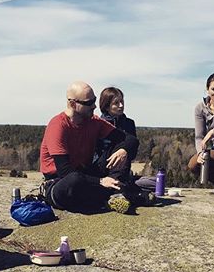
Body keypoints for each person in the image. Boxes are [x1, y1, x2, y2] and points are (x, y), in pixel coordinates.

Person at [39, 81, 140, 214]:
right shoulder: (58, 125)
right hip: (59, 182)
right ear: (73, 104)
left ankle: (111, 193)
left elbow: (130, 139)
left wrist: (123, 150)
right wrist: (101, 181)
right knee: (75, 181)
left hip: (84, 174)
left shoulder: (94, 122)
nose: (94, 106)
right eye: (88, 103)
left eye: (94, 100)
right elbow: (65, 172)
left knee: (117, 150)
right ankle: (116, 193)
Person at [96, 86, 137, 181]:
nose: (121, 105)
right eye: (116, 103)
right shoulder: (98, 123)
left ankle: (119, 180)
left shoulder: (129, 123)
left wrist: (124, 150)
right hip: (101, 166)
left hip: (123, 168)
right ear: (106, 106)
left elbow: (133, 151)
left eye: (122, 101)